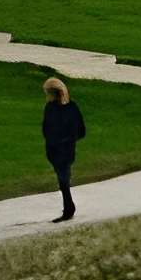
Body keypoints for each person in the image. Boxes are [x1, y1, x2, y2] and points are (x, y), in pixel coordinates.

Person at [42, 75, 88, 221]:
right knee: (63, 179)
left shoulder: (52, 108)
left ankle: (69, 207)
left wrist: (61, 140)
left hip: (60, 149)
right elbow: (81, 131)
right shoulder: (71, 107)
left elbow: (47, 130)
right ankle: (69, 206)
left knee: (63, 179)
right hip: (63, 149)